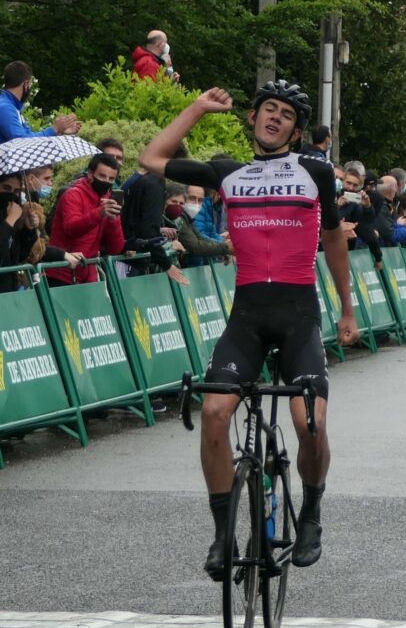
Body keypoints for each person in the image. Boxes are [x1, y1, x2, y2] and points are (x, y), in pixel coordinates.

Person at [139, 80, 359, 579]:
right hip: (248, 316)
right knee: (215, 412)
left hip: (298, 313)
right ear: (252, 118)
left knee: (311, 422)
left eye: (285, 114)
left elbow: (333, 241)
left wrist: (347, 309)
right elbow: (151, 159)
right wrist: (198, 107)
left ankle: (311, 513)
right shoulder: (228, 173)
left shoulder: (314, 171)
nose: (274, 117)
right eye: (267, 109)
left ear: (296, 131)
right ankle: (223, 534)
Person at [45, 153, 125, 286]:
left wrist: (114, 220)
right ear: (90, 174)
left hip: (88, 275)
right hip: (61, 273)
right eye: (102, 176)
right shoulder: (72, 195)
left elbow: (116, 248)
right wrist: (99, 213)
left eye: (111, 178)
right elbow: (71, 229)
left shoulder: (108, 200)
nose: (106, 181)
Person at [0, 61, 80, 142]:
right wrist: (54, 129)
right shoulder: (5, 108)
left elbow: (29, 136)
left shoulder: (11, 106)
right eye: (30, 85)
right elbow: (21, 141)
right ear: (26, 84)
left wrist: (59, 131)